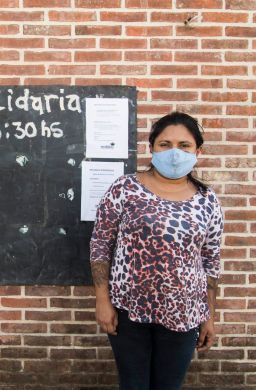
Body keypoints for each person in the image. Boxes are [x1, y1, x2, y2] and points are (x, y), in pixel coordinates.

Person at [89, 112, 224, 390]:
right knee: (133, 384)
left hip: (184, 313)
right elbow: (101, 244)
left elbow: (211, 260)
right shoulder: (124, 188)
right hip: (129, 310)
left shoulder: (207, 200)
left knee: (168, 386)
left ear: (197, 151)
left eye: (184, 146)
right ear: (151, 148)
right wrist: (102, 300)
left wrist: (209, 316)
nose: (174, 153)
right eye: (165, 144)